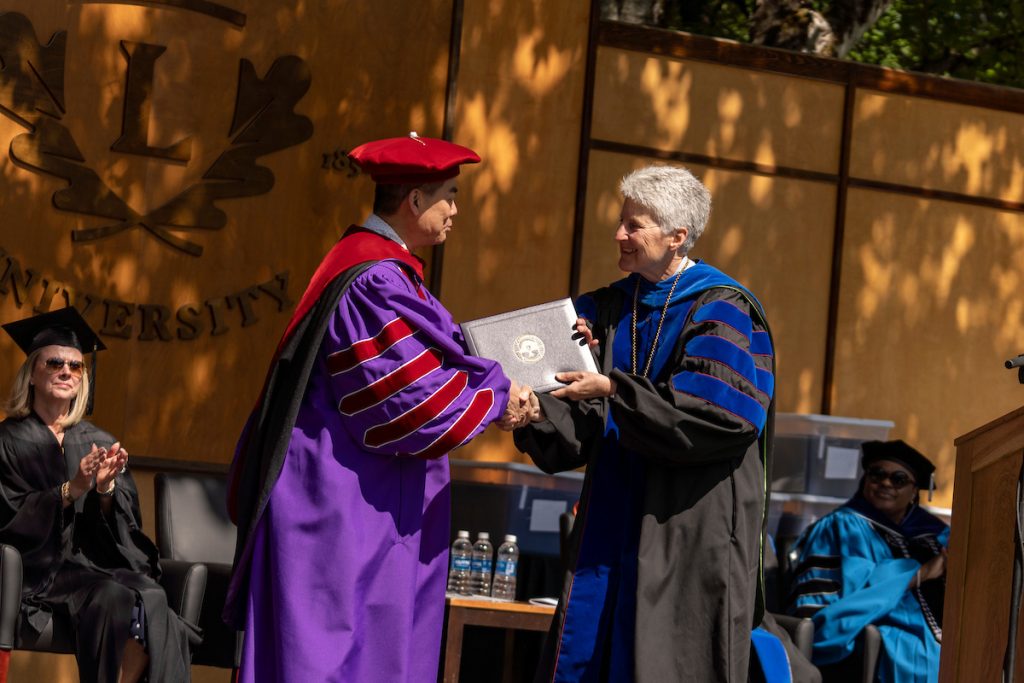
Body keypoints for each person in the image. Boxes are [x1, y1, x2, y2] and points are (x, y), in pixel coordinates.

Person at [224, 132, 531, 682]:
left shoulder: (379, 268)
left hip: (360, 496)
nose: (456, 210)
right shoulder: (375, 278)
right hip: (343, 502)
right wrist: (499, 397)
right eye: (449, 196)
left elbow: (429, 358)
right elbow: (406, 398)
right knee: (332, 658)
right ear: (415, 201)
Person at [513, 164, 776, 682]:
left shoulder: (723, 309)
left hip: (685, 523)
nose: (619, 235)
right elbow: (576, 409)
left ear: (677, 237)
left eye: (634, 226)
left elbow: (719, 416)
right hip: (612, 512)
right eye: (621, 221)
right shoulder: (609, 306)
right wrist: (530, 407)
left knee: (665, 662)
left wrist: (615, 390)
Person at [0, 307, 197, 683]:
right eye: (54, 362)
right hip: (37, 569)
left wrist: (106, 489)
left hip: (91, 564)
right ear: (31, 375)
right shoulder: (7, 441)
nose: (66, 372)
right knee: (114, 595)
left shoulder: (99, 442)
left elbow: (122, 535)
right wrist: (70, 491)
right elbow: (7, 516)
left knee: (152, 596)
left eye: (76, 366)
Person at [788, 440, 948, 683]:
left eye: (898, 479)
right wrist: (919, 574)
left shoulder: (936, 535)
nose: (885, 483)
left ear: (914, 491)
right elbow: (828, 614)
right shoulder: (840, 527)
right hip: (874, 642)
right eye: (877, 474)